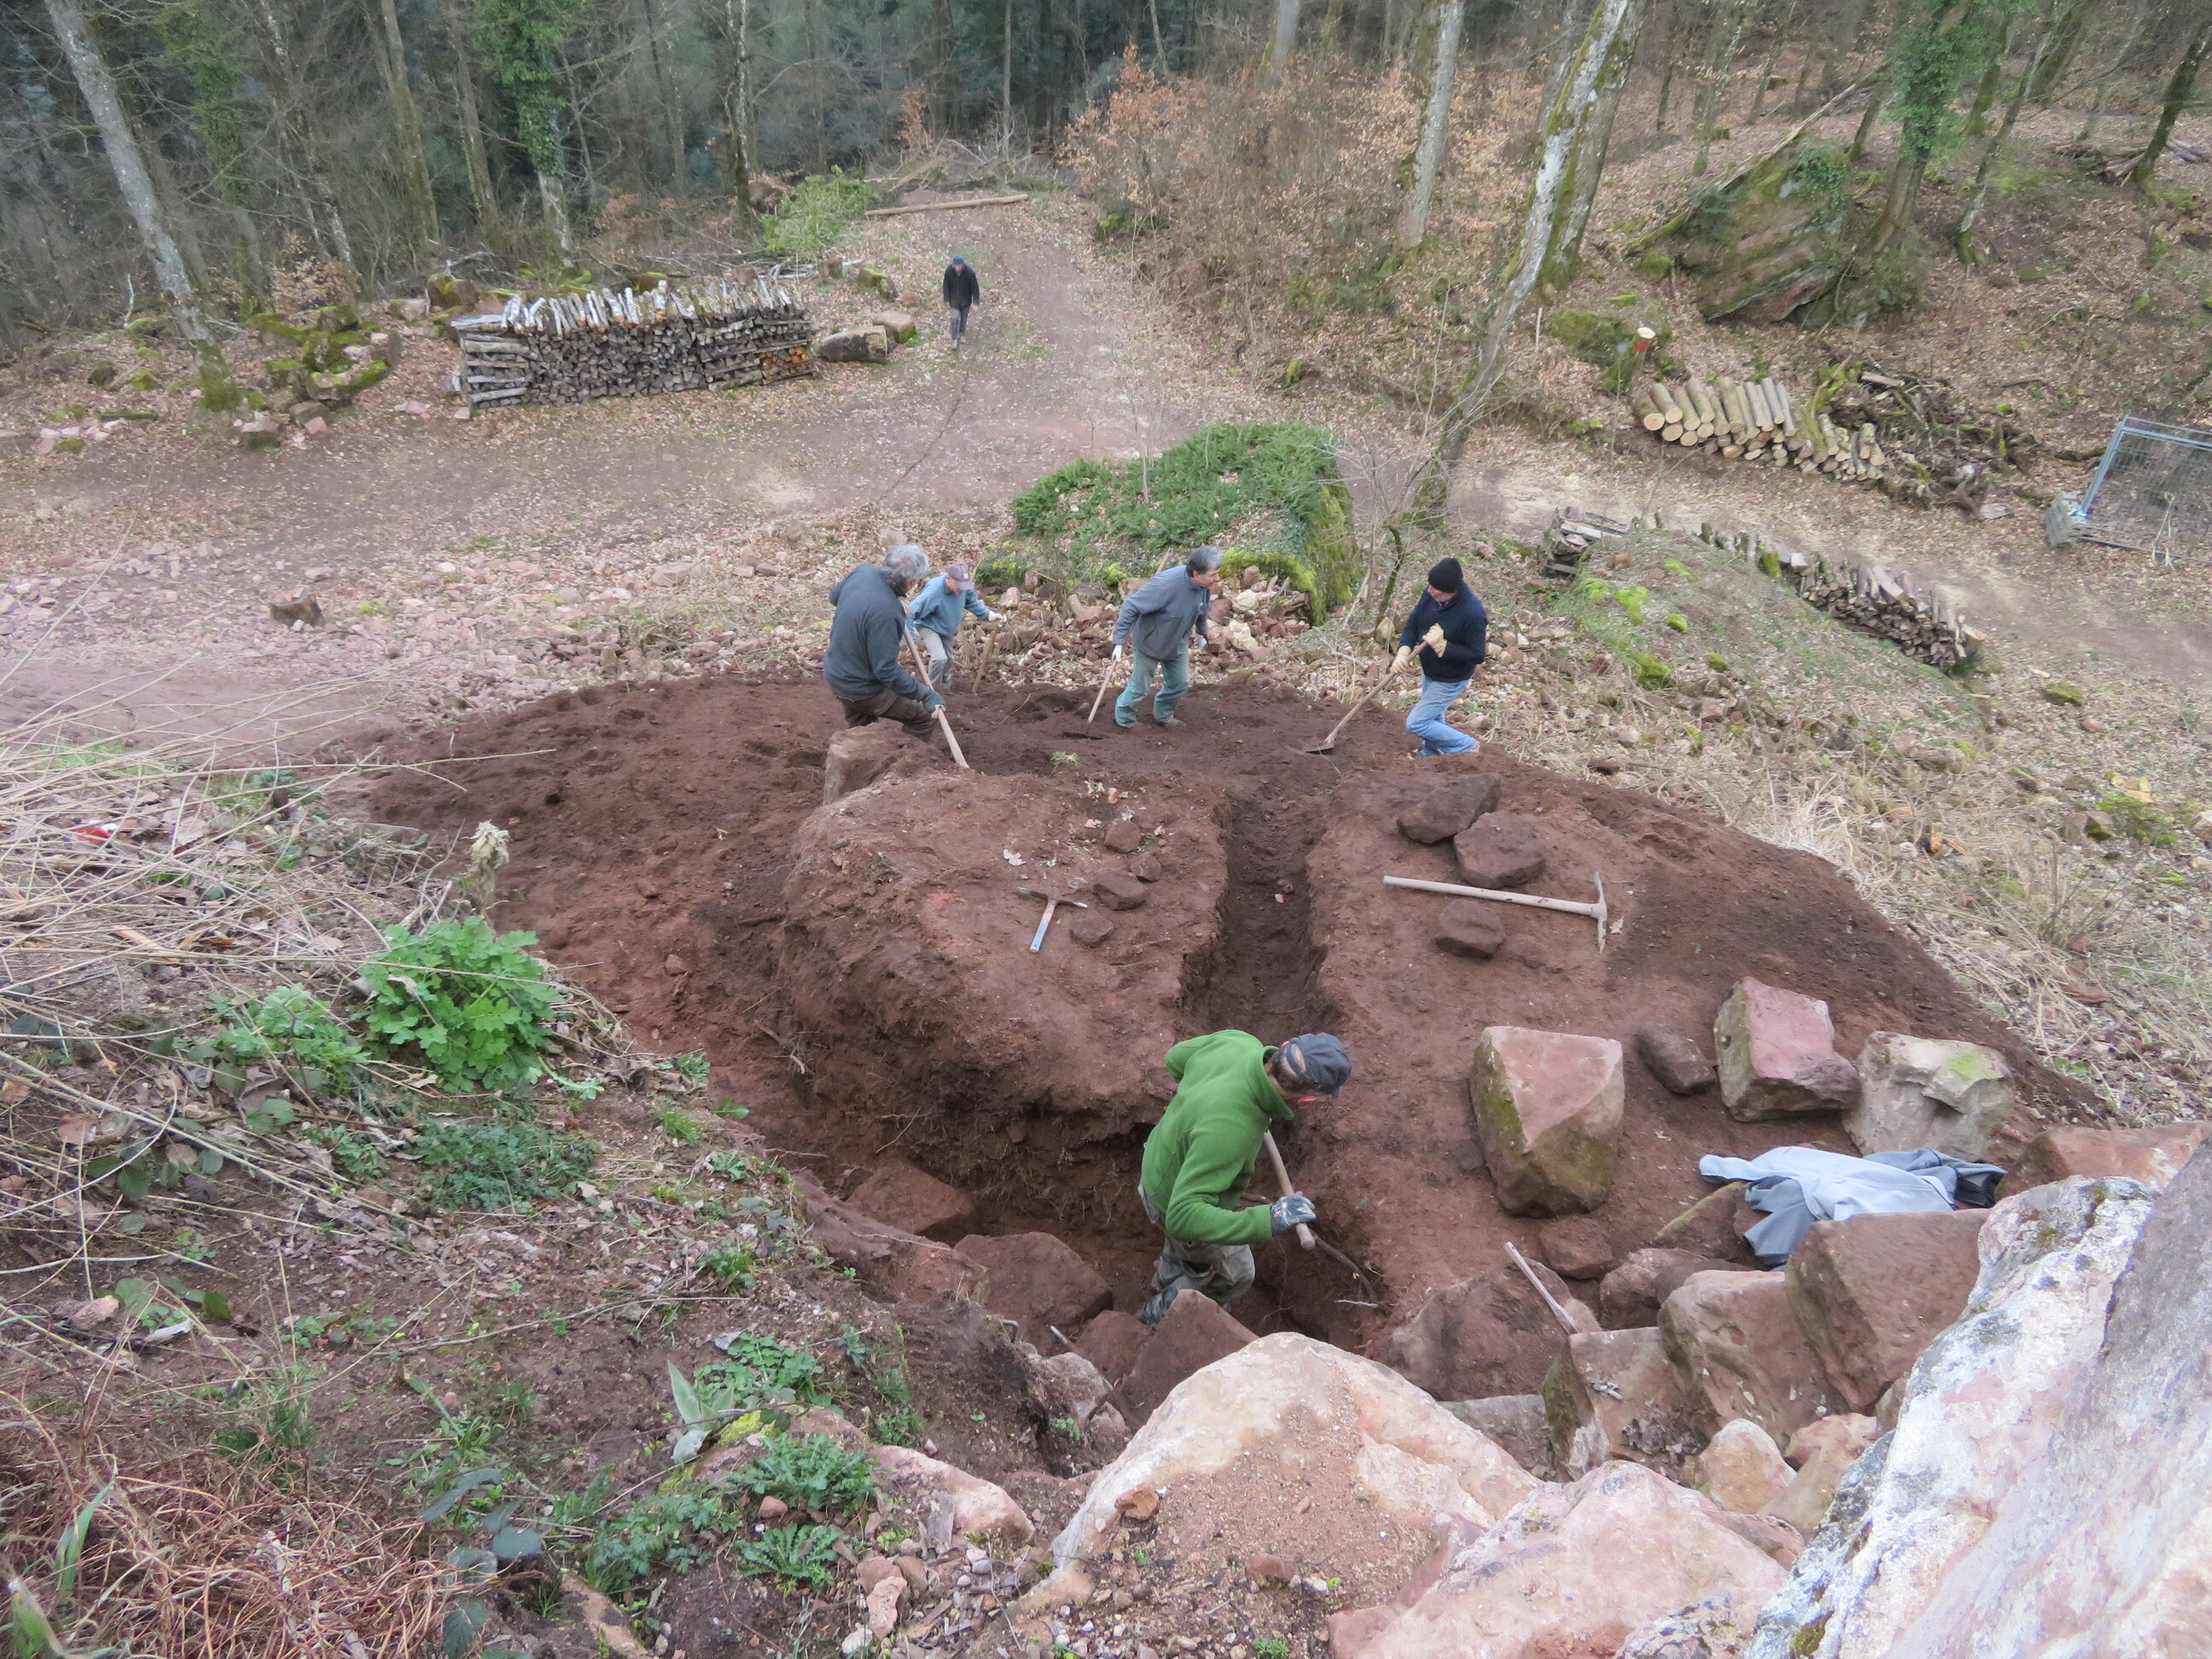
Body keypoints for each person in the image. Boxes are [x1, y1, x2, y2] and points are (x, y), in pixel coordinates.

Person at [1136, 1031, 1351, 1326]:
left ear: (1283, 1046)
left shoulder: (1238, 1043)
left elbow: (1175, 1059)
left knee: (1191, 1254)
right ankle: (1154, 1319)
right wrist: (1269, 1219)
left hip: (1158, 1162)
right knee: (1236, 1275)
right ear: (1308, 1098)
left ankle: (1168, 1277)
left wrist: (1198, 1100)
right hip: (1171, 1200)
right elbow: (1183, 1217)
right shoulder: (1232, 1132)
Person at [824, 544, 941, 736]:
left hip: (836, 673)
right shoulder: (887, 614)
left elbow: (834, 597)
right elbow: (886, 671)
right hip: (861, 689)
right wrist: (924, 694)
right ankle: (908, 756)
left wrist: (890, 604)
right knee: (924, 718)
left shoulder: (863, 572)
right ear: (910, 583)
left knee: (863, 729)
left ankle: (855, 751)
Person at [1110, 544, 1222, 730]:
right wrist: (1119, 642)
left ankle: (1163, 715)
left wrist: (1202, 633)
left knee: (1180, 683)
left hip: (1177, 642)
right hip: (1150, 642)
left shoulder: (1204, 586)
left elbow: (1201, 609)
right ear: (1196, 574)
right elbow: (1131, 606)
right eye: (1213, 575)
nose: (1217, 579)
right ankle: (1125, 720)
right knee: (1140, 687)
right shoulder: (1164, 586)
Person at [1395, 556, 1489, 756]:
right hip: (1430, 671)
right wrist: (1403, 650)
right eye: (1430, 585)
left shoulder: (1472, 614)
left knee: (1417, 723)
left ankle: (1467, 745)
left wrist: (1443, 646)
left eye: (1435, 588)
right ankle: (1432, 753)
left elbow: (1478, 654)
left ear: (1451, 591)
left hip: (1450, 679)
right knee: (1433, 718)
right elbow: (1414, 621)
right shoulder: (1431, 594)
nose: (1429, 590)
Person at [905, 560, 997, 692]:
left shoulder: (964, 587)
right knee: (939, 658)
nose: (962, 589)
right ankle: (932, 691)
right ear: (949, 579)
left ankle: (946, 691)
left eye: (964, 585)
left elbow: (972, 602)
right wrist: (911, 641)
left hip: (947, 628)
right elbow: (909, 612)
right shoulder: (933, 591)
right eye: (959, 585)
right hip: (928, 626)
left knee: (948, 660)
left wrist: (988, 615)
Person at [943, 254, 981, 346]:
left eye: (959, 266)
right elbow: (946, 285)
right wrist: (946, 299)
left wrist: (975, 303)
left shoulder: (969, 273)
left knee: (964, 318)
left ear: (962, 265)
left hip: (966, 300)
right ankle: (954, 339)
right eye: (956, 266)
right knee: (954, 319)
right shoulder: (949, 271)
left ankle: (962, 333)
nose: (957, 268)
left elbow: (975, 288)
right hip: (954, 300)